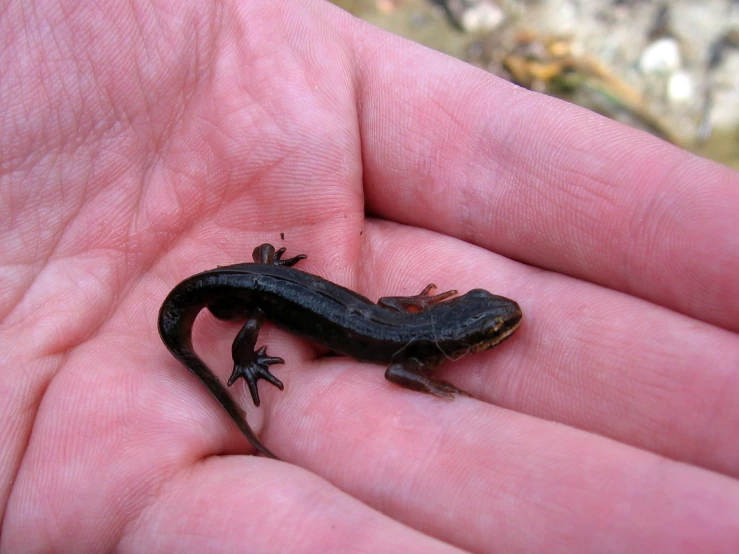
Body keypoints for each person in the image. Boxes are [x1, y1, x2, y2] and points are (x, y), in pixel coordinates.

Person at [1, 1, 737, 551]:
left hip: (256, 285)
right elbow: (394, 367)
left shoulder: (407, 337)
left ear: (451, 336)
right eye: (489, 323)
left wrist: (417, 316)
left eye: (486, 319)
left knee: (263, 293)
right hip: (248, 293)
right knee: (250, 317)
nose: (498, 322)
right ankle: (244, 349)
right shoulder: (410, 349)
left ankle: (258, 290)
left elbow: (389, 326)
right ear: (458, 343)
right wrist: (427, 378)